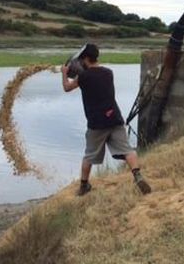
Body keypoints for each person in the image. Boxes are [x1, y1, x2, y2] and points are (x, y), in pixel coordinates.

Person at [61, 43, 151, 196]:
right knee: (128, 150)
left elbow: (67, 87)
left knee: (89, 155)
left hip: (96, 123)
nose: (81, 62)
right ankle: (137, 176)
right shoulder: (109, 73)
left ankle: (84, 186)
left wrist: (64, 73)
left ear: (87, 59)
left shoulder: (83, 77)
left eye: (82, 59)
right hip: (114, 118)